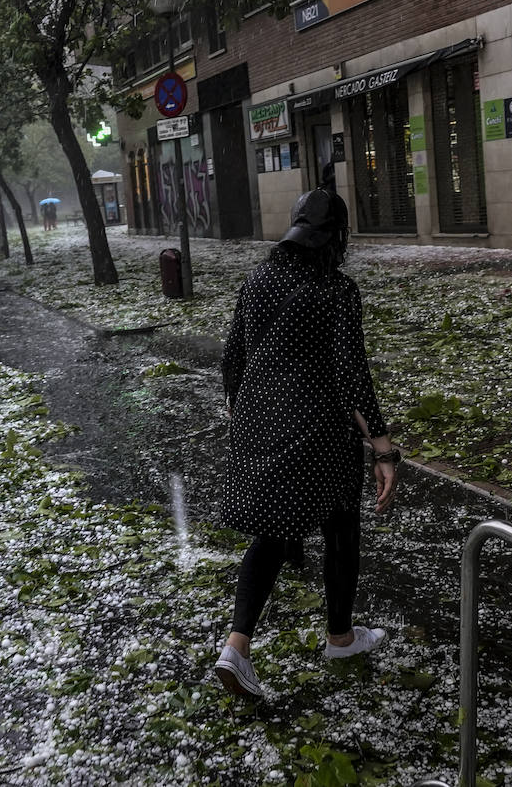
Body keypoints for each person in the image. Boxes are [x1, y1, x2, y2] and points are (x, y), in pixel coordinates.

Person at [213, 164, 398, 700]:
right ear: (337, 239)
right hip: (318, 434)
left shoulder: (258, 281)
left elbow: (231, 361)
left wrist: (248, 415)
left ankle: (236, 649)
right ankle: (340, 636)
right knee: (341, 525)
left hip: (258, 425)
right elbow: (352, 376)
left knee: (271, 534)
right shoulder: (335, 291)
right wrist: (383, 449)